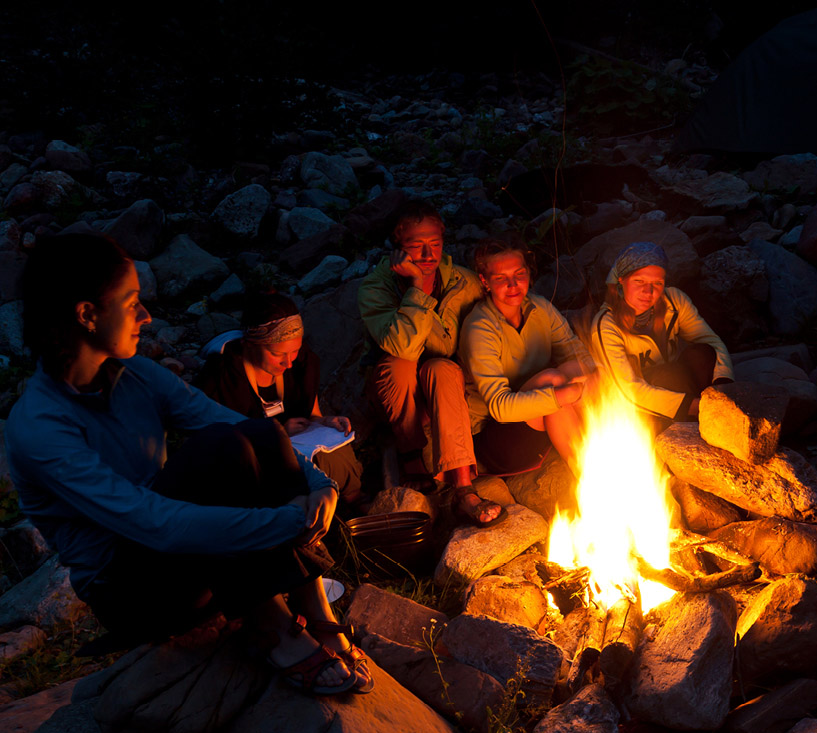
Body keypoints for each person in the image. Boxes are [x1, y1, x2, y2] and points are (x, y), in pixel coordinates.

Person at [5, 234, 371, 696]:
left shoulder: (135, 374)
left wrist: (318, 483)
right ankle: (276, 630)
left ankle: (318, 616)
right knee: (224, 453)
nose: (146, 316)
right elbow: (154, 523)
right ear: (86, 315)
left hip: (187, 556)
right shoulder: (40, 427)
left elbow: (238, 424)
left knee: (249, 435)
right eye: (132, 303)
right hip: (134, 590)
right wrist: (286, 522)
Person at [357, 200, 501, 526]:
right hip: (397, 393)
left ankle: (464, 489)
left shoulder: (463, 282)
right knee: (399, 362)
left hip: (445, 390)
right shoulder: (374, 288)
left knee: (443, 368)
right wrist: (416, 286)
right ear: (398, 247)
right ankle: (411, 455)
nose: (427, 254)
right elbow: (403, 346)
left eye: (434, 244)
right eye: (415, 245)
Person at [195, 291, 365, 513]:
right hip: (251, 463)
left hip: (302, 448)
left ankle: (353, 507)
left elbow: (313, 413)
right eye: (278, 354)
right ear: (249, 344)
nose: (288, 362)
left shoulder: (302, 363)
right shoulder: (224, 377)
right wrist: (278, 434)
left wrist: (326, 421)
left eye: (293, 351)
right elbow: (219, 444)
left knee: (335, 453)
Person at [460, 234, 591, 474]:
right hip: (498, 437)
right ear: (485, 281)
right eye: (501, 278)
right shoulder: (480, 327)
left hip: (539, 422)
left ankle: (603, 448)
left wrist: (596, 378)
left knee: (579, 369)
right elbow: (500, 407)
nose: (513, 285)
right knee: (553, 380)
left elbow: (573, 351)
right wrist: (567, 393)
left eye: (519, 274)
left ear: (528, 274)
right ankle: (586, 472)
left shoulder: (540, 307)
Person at [589, 241, 733, 425]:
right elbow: (628, 389)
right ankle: (694, 425)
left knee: (702, 354)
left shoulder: (674, 300)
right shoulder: (606, 325)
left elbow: (711, 341)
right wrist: (696, 406)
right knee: (667, 376)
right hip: (637, 410)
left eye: (657, 283)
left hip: (680, 387)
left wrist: (723, 388)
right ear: (621, 280)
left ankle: (716, 419)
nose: (648, 292)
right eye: (639, 281)